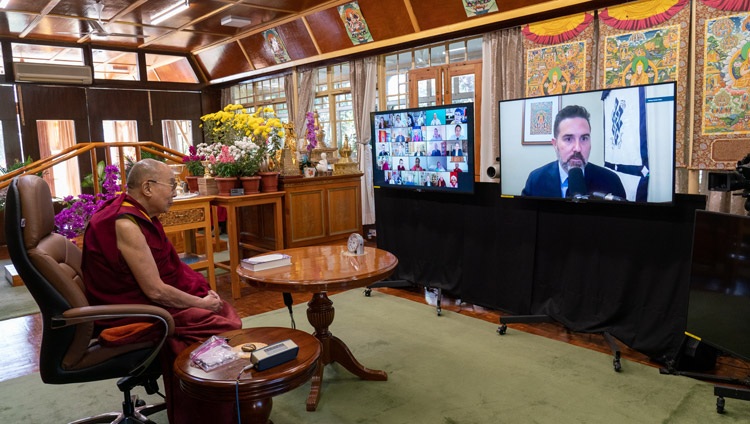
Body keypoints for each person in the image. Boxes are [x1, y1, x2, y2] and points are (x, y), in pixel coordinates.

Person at [81, 159, 242, 424]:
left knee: (218, 308)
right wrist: (202, 304)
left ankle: (225, 402)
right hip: (132, 313)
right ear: (147, 187)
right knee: (216, 321)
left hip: (141, 299)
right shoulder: (126, 224)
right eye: (172, 185)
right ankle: (204, 415)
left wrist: (201, 292)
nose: (175, 192)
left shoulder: (139, 214)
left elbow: (170, 267)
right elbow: (156, 292)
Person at [521, 105, 626, 199]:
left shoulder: (611, 181)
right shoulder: (535, 180)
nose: (578, 148)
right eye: (568, 139)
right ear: (555, 144)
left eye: (584, 138)